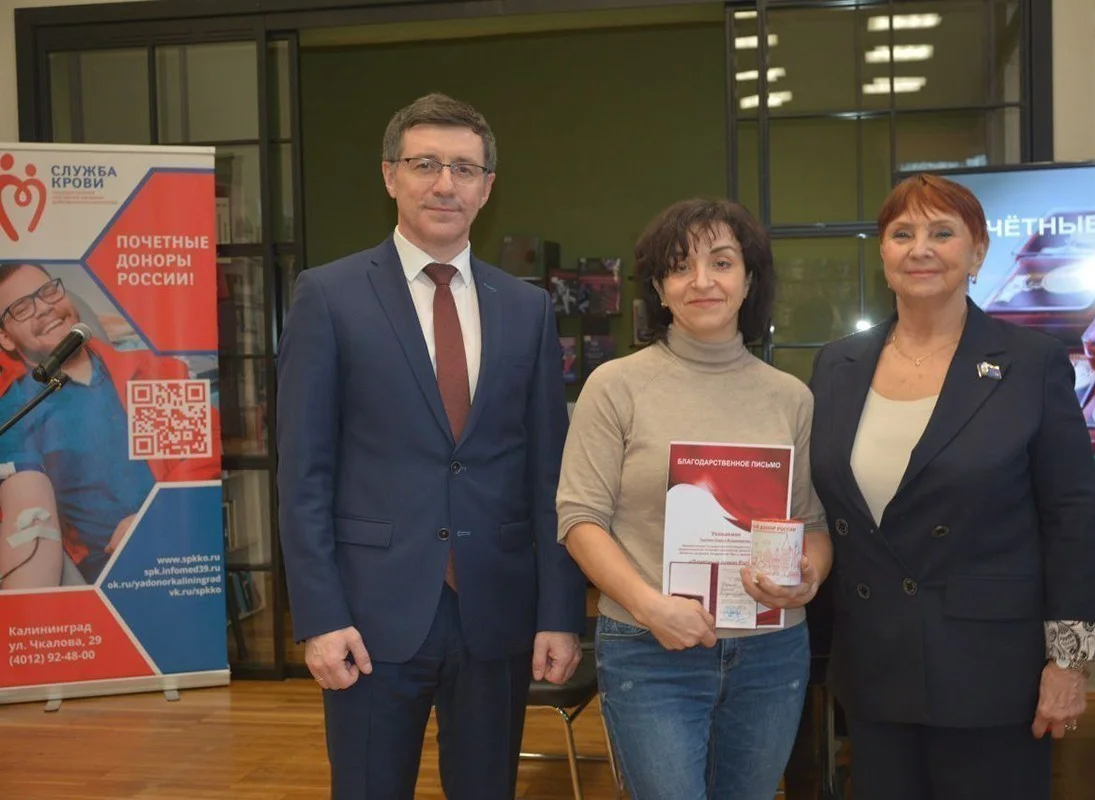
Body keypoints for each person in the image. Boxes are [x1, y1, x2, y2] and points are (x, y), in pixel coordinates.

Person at [276, 92, 587, 800]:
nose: (445, 184)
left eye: (464, 169)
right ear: (390, 176)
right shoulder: (328, 297)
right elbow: (304, 475)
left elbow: (550, 474)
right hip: (368, 619)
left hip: (496, 615)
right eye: (425, 165)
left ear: (487, 188)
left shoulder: (528, 308)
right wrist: (320, 617)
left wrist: (559, 614)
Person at [807, 173, 1095, 800]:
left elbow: (1072, 516)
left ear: (978, 253)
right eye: (902, 234)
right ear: (883, 253)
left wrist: (1070, 661)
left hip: (991, 670)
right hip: (874, 663)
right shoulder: (837, 365)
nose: (920, 249)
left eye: (942, 233)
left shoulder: (1032, 362)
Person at [557, 198, 832, 800]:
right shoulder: (616, 386)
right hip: (649, 647)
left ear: (749, 280)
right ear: (659, 287)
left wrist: (807, 577)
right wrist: (650, 607)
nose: (702, 281)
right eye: (681, 266)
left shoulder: (791, 397)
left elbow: (812, 523)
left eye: (722, 263)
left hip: (771, 652)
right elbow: (579, 519)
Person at [0, 262, 220, 587]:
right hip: (112, 581)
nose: (44, 307)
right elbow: (27, 513)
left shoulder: (148, 372)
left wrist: (152, 518)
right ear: (5, 338)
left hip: (183, 560)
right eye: (22, 308)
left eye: (48, 291)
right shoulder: (16, 410)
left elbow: (205, 448)